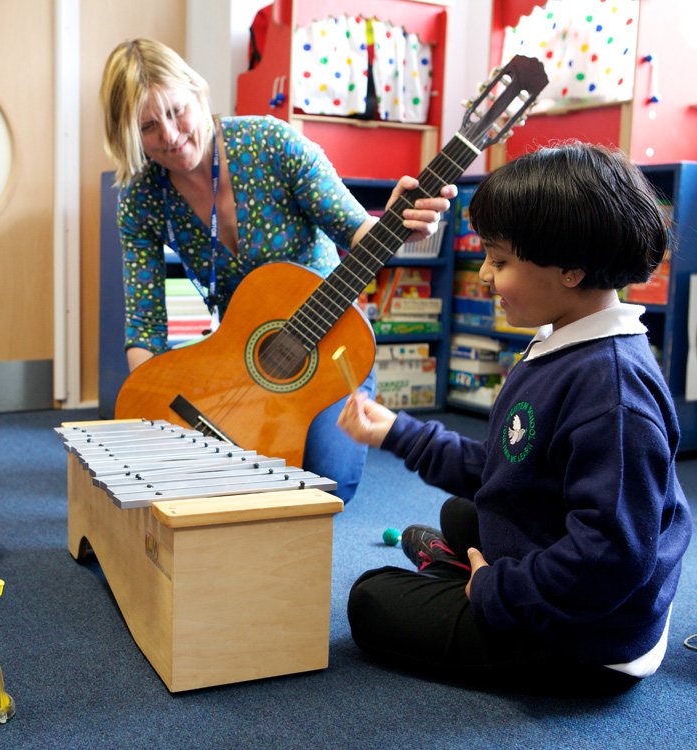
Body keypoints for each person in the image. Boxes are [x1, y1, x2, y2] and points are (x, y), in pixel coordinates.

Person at [337, 142, 692, 691]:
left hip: (589, 641)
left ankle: (468, 574)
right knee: (465, 512)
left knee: (370, 599)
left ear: (570, 270)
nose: (483, 274)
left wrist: (495, 593)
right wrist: (397, 432)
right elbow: (509, 464)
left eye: (500, 261)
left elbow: (612, 558)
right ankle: (466, 561)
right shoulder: (563, 341)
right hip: (578, 583)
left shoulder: (614, 394)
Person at [100, 38, 455, 502]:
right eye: (148, 125)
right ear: (128, 134)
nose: (169, 135)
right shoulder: (142, 196)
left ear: (198, 94)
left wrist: (397, 227)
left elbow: (356, 231)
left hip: (329, 343)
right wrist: (147, 410)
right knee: (213, 477)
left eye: (177, 111)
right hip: (241, 355)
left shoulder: (274, 143)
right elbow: (145, 325)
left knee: (325, 486)